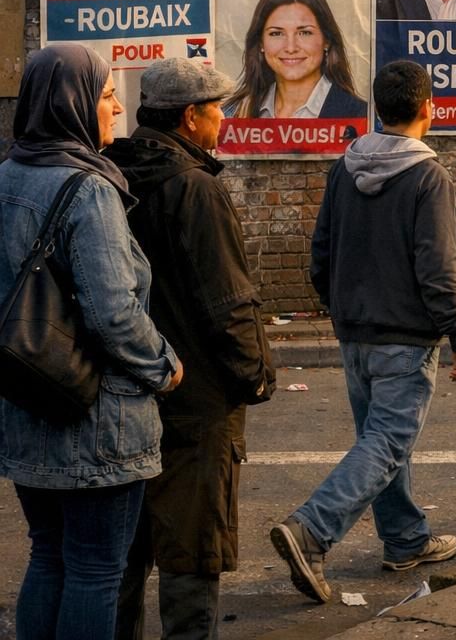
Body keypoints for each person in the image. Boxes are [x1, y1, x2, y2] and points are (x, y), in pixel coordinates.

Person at [270, 61, 456, 603]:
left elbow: (321, 249)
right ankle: (311, 530)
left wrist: (339, 306)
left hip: (354, 331)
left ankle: (405, 539)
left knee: (381, 440)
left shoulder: (345, 166)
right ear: (428, 108)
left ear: (378, 110)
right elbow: (437, 267)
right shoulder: (428, 176)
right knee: (387, 442)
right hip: (404, 335)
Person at [0, 44, 182, 640]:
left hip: (26, 400)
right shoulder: (89, 189)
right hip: (97, 418)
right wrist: (164, 365)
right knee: (96, 570)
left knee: (48, 555)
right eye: (105, 95)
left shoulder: (6, 177)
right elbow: (114, 315)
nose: (117, 108)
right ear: (70, 103)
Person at [110, 60, 276, 640]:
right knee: (191, 550)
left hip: (127, 389)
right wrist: (255, 375)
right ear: (189, 117)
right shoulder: (194, 188)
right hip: (198, 397)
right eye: (216, 110)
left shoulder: (110, 176)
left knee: (123, 554)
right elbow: (227, 299)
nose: (222, 120)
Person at [226, 0, 367, 122]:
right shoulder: (232, 114)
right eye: (276, 33)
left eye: (304, 33)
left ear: (327, 40)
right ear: (261, 43)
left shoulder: (360, 115)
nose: (291, 48)